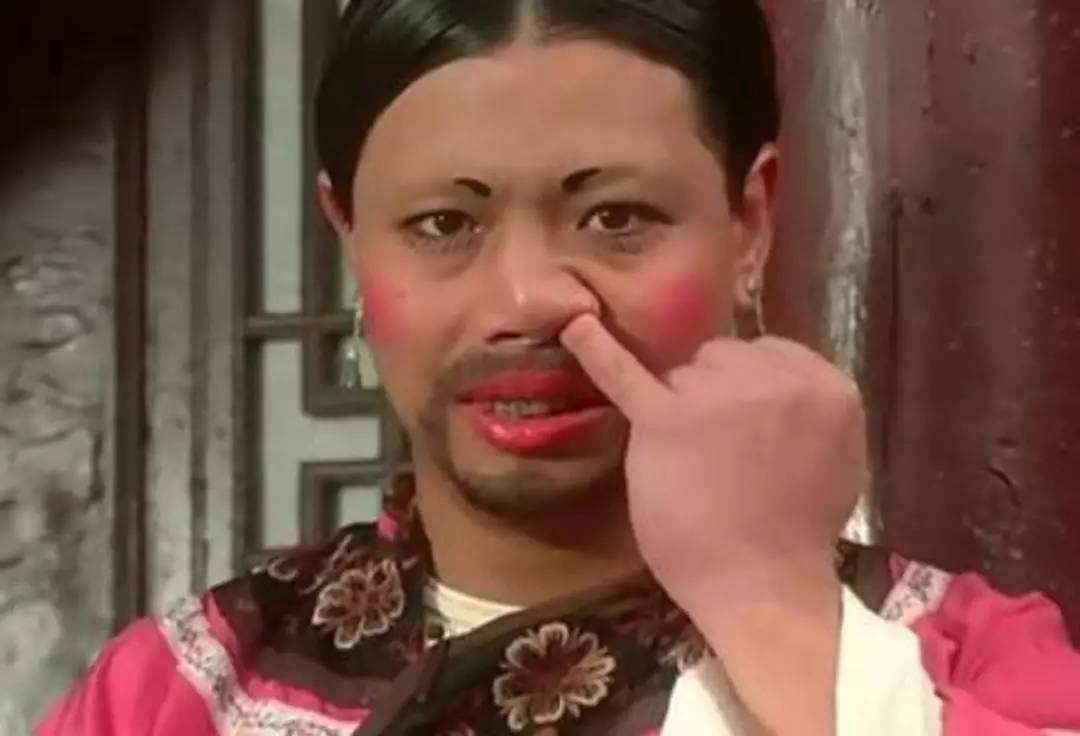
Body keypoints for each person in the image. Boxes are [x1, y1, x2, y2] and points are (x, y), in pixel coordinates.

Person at [38, 1, 1080, 734]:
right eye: (444, 224)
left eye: (616, 217)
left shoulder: (968, 663)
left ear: (749, 222)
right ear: (348, 237)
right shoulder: (182, 694)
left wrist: (774, 609)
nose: (529, 300)